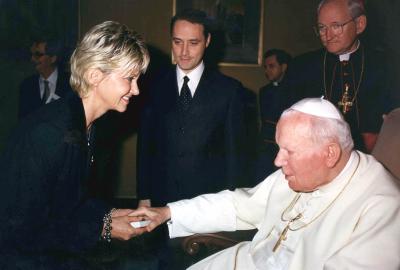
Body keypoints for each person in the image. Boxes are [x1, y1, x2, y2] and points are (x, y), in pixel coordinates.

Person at [132, 97, 400, 270]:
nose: (277, 161)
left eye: (289, 151)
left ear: (330, 153)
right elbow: (239, 205)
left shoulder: (383, 206)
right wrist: (167, 212)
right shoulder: (297, 174)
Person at [0, 21, 150, 269]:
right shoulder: (46, 134)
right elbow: (21, 229)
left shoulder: (90, 126)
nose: (136, 90)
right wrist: (103, 227)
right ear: (94, 75)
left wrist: (108, 214)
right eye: (130, 79)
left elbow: (69, 201)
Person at [136, 9, 247, 208]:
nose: (184, 52)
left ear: (208, 41)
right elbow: (145, 146)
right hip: (161, 198)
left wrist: (232, 202)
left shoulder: (230, 90)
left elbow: (235, 155)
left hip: (208, 201)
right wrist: (144, 195)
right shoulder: (152, 85)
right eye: (177, 42)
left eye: (193, 43)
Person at [286, 0, 390, 153]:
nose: (327, 36)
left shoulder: (386, 65)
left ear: (359, 24)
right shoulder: (301, 67)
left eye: (336, 26)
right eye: (322, 28)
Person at [256, 49, 293, 180]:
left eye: (272, 66)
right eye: (265, 67)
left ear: (283, 67)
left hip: (286, 145)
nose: (267, 71)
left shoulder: (294, 90)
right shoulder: (264, 91)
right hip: (266, 145)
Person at [18, 36, 73, 119]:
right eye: (32, 55)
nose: (32, 59)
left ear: (53, 58)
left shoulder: (71, 84)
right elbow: (22, 121)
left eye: (38, 55)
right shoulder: (26, 85)